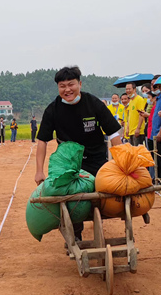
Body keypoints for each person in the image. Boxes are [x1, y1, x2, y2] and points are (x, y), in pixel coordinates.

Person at [35, 66, 121, 241]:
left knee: (102, 197)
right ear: (58, 87)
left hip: (96, 159)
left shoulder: (93, 103)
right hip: (68, 164)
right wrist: (39, 170)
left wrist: (121, 163)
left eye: (71, 84)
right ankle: (75, 233)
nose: (67, 89)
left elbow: (113, 133)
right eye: (62, 86)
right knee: (69, 199)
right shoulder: (53, 110)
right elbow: (42, 141)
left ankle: (98, 221)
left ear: (79, 84)